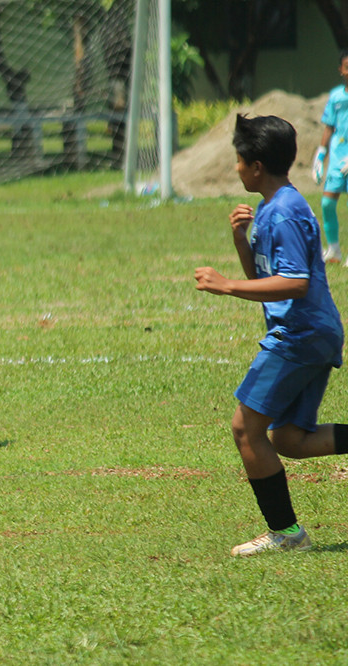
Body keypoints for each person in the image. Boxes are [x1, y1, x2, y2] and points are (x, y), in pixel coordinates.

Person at [195, 114, 346, 557]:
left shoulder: (281, 213)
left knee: (245, 428)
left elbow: (294, 282)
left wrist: (226, 286)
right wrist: (242, 240)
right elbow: (266, 277)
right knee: (288, 440)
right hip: (313, 331)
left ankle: (286, 533)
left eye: (239, 161)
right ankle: (286, 531)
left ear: (256, 165)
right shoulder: (275, 206)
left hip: (298, 333)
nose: (236, 168)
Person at [311, 48, 348, 265]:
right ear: (340, 70)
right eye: (347, 67)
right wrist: (321, 153)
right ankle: (334, 249)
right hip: (337, 156)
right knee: (327, 203)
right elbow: (329, 127)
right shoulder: (335, 97)